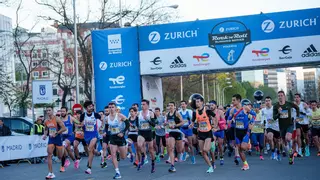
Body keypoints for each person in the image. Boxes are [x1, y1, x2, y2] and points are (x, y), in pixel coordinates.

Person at [228, 95, 256, 171]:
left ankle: (248, 145)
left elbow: (254, 115)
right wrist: (229, 121)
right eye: (232, 100)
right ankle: (245, 164)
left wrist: (252, 123)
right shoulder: (232, 110)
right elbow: (228, 120)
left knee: (243, 147)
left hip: (245, 131)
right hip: (237, 131)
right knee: (239, 149)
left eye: (234, 100)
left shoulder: (245, 108)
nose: (232, 102)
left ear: (238, 100)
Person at [273, 90, 299, 165]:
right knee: (284, 143)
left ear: (284, 96)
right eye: (279, 96)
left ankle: (291, 152)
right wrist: (279, 113)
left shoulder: (289, 104)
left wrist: (297, 116)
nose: (280, 97)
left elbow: (297, 108)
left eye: (281, 95)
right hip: (282, 126)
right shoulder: (276, 106)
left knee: (288, 138)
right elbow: (274, 117)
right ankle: (290, 155)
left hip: (289, 124)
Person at [191, 95, 216, 173]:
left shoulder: (207, 111)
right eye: (196, 102)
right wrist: (191, 124)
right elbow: (193, 121)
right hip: (201, 133)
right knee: (203, 152)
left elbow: (215, 117)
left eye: (198, 102)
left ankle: (213, 158)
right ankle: (210, 167)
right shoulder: (195, 113)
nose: (197, 103)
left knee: (206, 149)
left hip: (208, 133)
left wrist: (214, 126)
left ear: (202, 102)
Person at [43, 106, 67, 179]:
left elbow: (64, 128)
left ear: (52, 111)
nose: (48, 112)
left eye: (49, 110)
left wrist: (56, 133)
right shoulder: (46, 121)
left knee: (60, 156)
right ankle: (50, 173)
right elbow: (46, 128)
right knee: (49, 154)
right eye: (47, 110)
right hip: (51, 139)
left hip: (58, 138)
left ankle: (64, 151)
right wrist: (45, 134)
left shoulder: (57, 119)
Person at [107, 102, 129, 179]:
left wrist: (123, 132)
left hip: (120, 137)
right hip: (113, 137)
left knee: (123, 157)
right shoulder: (107, 117)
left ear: (115, 108)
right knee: (113, 154)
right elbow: (107, 127)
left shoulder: (120, 116)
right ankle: (117, 172)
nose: (111, 108)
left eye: (112, 107)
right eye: (110, 107)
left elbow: (128, 123)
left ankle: (126, 146)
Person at [80, 100, 101, 174]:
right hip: (86, 134)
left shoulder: (95, 114)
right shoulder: (83, 115)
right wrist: (81, 127)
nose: (91, 107)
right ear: (86, 108)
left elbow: (102, 120)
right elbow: (81, 125)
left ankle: (89, 167)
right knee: (91, 151)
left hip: (94, 134)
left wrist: (101, 129)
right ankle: (98, 154)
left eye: (92, 106)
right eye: (89, 107)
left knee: (89, 149)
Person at [136, 99, 157, 173]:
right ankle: (143, 156)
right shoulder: (138, 113)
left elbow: (154, 124)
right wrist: (137, 127)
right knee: (139, 145)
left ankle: (153, 164)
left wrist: (148, 120)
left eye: (144, 104)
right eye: (141, 104)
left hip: (148, 132)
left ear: (147, 105)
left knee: (151, 150)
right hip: (141, 132)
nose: (142, 106)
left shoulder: (151, 113)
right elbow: (136, 122)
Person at [166, 102, 184, 172]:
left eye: (172, 105)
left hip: (178, 132)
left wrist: (175, 125)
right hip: (171, 132)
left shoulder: (177, 113)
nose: (170, 107)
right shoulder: (167, 114)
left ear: (174, 106)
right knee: (171, 148)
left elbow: (182, 122)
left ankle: (182, 153)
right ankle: (172, 166)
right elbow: (168, 123)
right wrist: (166, 124)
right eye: (169, 105)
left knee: (179, 150)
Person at [263, 96, 281, 161]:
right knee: (270, 138)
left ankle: (278, 152)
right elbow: (263, 119)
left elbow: (279, 116)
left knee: (278, 141)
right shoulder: (263, 110)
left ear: (271, 101)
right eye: (266, 101)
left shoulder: (275, 108)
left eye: (268, 101)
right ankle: (273, 152)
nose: (267, 102)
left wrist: (274, 119)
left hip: (276, 127)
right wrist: (264, 128)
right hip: (269, 127)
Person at [60, 107, 78, 172]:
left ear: (66, 112)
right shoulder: (59, 119)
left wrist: (75, 130)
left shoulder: (70, 118)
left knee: (63, 145)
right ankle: (75, 161)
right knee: (69, 150)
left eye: (63, 111)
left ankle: (67, 159)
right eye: (61, 111)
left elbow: (77, 123)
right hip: (63, 136)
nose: (62, 112)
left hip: (70, 136)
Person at [209, 100, 226, 165]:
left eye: (212, 105)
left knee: (220, 144)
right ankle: (213, 158)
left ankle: (221, 156)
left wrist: (217, 128)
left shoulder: (220, 112)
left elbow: (224, 122)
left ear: (215, 105)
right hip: (212, 130)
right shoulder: (208, 112)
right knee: (212, 145)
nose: (211, 106)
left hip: (220, 130)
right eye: (210, 105)